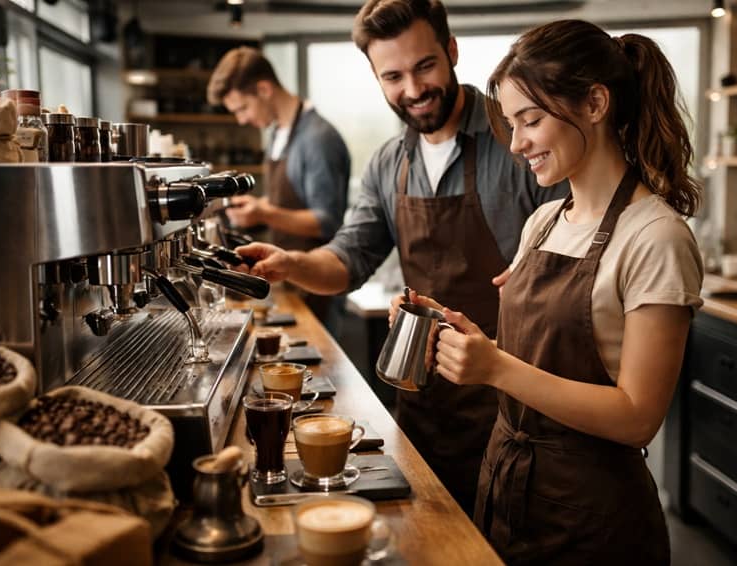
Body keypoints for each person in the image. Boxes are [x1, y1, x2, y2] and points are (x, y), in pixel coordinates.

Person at [236, 0, 568, 516]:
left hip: (517, 410)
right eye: (392, 76)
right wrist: (291, 264)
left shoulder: (519, 141)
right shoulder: (390, 163)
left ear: (451, 50)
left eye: (424, 66)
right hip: (425, 406)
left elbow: (569, 274)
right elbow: (349, 257)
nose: (413, 89)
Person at [397, 19, 704, 564]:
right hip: (508, 490)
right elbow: (536, 359)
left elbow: (638, 416)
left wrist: (495, 368)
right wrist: (457, 334)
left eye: (531, 120)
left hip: (592, 518)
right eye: (512, 124)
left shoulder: (656, 237)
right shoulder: (543, 221)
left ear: (595, 103)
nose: (517, 144)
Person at [207, 47, 351, 327]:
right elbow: (286, 202)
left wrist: (263, 213)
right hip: (290, 281)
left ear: (264, 89)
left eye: (243, 108)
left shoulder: (318, 139)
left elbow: (326, 221)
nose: (241, 120)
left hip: (317, 288)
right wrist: (257, 207)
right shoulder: (278, 134)